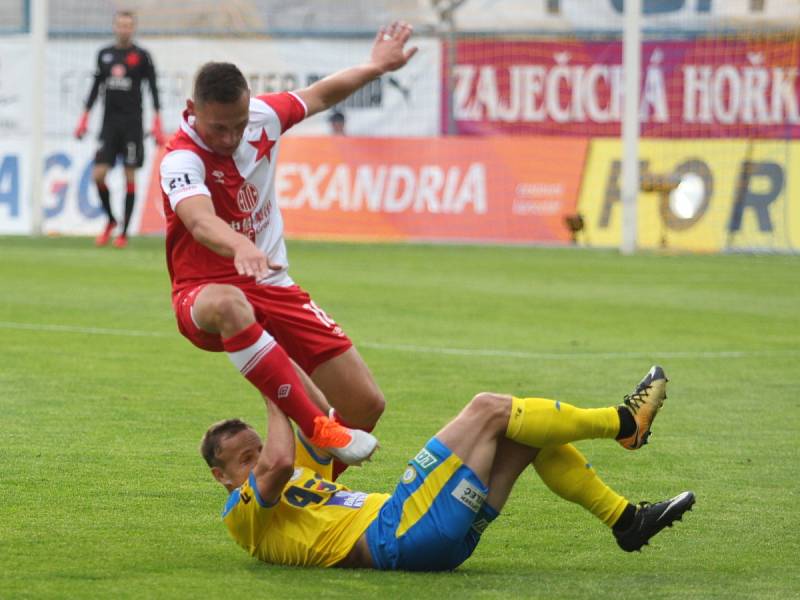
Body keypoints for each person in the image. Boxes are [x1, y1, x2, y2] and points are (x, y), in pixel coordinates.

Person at [160, 22, 418, 467]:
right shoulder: (181, 158)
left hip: (273, 283)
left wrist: (376, 67)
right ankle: (318, 426)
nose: (229, 137)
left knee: (365, 405)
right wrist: (238, 245)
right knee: (231, 303)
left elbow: (320, 94)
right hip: (203, 292)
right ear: (192, 110)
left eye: (237, 125)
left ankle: (306, 493)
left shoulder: (263, 117)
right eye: (218, 128)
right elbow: (200, 221)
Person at [201, 366, 696, 570]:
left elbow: (316, 415)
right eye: (245, 459)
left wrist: (276, 357)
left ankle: (626, 521)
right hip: (398, 531)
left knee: (526, 434)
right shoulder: (241, 515)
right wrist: (270, 386)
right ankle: (625, 423)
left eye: (257, 448)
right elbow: (281, 458)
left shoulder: (301, 478)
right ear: (221, 477)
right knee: (488, 408)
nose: (260, 459)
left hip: (435, 540)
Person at [75, 10, 165, 249]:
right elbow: (96, 87)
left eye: (128, 25)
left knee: (129, 175)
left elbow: (153, 89)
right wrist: (84, 117)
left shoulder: (142, 57)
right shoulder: (104, 55)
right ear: (115, 27)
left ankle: (123, 232)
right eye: (120, 25)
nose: (124, 29)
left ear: (133, 28)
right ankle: (111, 220)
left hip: (132, 125)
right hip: (109, 125)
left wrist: (157, 121)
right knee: (99, 175)